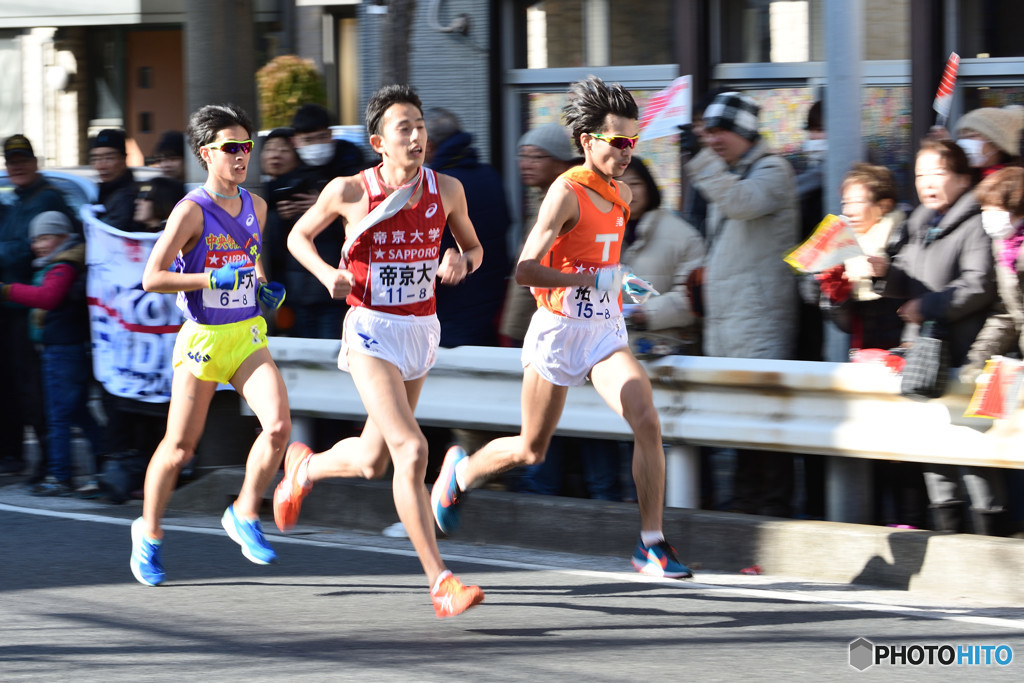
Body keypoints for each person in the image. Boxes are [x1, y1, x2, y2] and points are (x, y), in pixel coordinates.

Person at [428, 75, 693, 579]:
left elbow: (604, 268)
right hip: (557, 328)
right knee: (532, 449)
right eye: (618, 142)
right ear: (588, 141)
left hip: (604, 331)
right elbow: (525, 270)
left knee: (646, 418)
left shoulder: (622, 194)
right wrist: (592, 277)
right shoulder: (565, 192)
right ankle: (459, 474)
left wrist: (623, 285)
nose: (628, 151)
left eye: (634, 141)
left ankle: (652, 544)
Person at [274, 84, 486, 618]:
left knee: (372, 460)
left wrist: (463, 261)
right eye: (403, 128)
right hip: (370, 329)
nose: (417, 136)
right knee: (411, 452)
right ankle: (440, 582)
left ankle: (305, 469)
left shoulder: (449, 190)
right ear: (379, 142)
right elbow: (298, 237)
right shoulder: (349, 190)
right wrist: (327, 274)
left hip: (419, 330)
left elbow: (475, 248)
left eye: (420, 125)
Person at [128, 103, 291, 587]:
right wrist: (207, 278)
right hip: (202, 339)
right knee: (179, 448)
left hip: (245, 335)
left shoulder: (256, 206)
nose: (242, 156)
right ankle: (149, 533)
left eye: (247, 146)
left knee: (279, 427)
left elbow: (253, 259)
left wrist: (263, 287)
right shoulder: (190, 210)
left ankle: (243, 512)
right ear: (206, 154)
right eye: (230, 148)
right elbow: (152, 277)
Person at [678, 91, 800, 518]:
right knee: (742, 426)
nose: (712, 140)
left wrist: (699, 161)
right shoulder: (731, 173)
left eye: (720, 131)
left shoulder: (772, 170)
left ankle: (772, 510)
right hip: (730, 321)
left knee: (766, 424)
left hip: (759, 321)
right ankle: (747, 508)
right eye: (707, 132)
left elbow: (741, 203)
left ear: (746, 132)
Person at [869, 138, 998, 533]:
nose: (927, 182)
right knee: (935, 457)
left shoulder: (977, 223)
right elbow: (905, 276)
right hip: (924, 356)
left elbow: (979, 285)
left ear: (962, 177)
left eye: (937, 173)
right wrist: (882, 273)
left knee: (978, 461)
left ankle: (989, 541)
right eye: (921, 174)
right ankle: (949, 542)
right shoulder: (920, 221)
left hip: (969, 355)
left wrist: (927, 306)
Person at [1, 211, 103, 496]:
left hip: (63, 352)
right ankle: (104, 466)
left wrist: (7, 291)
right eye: (35, 239)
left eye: (45, 237)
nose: (39, 245)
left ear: (62, 235)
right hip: (61, 350)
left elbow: (48, 297)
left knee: (59, 416)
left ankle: (60, 476)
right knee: (80, 414)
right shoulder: (59, 262)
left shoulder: (63, 265)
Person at [0, 134, 74, 480]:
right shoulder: (16, 203)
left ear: (34, 162)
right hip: (13, 308)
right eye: (11, 162)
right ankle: (15, 456)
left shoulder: (48, 200)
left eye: (22, 160)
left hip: (37, 310)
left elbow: (32, 251)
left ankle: (50, 462)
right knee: (13, 386)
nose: (17, 167)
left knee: (35, 389)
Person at [277, 104, 368, 339]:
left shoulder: (353, 174)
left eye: (321, 137)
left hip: (338, 290)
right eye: (308, 140)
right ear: (295, 142)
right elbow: (282, 239)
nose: (315, 146)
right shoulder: (291, 177)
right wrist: (282, 215)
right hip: (298, 291)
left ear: (331, 135)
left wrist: (328, 208)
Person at [424, 107, 511, 348]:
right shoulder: (490, 176)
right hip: (491, 301)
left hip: (452, 307)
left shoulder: (438, 187)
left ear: (429, 145)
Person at [498, 122, 577, 347]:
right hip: (530, 324)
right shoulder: (544, 198)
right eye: (522, 156)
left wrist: (514, 328)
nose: (526, 164)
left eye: (537, 157)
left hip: (546, 324)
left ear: (560, 162)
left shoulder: (564, 201)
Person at [619, 156, 704, 357]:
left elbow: (690, 298)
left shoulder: (683, 236)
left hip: (666, 354)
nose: (627, 191)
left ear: (649, 187)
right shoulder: (601, 237)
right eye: (618, 184)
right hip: (613, 355)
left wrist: (647, 313)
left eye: (635, 183)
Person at [953, 105, 1024, 178]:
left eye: (971, 136)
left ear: (996, 143)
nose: (964, 142)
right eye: (961, 137)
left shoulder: (1016, 181)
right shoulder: (966, 178)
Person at [90, 129, 140, 230]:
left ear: (123, 159)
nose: (101, 166)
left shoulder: (127, 196)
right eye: (96, 159)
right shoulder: (104, 191)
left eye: (109, 158)